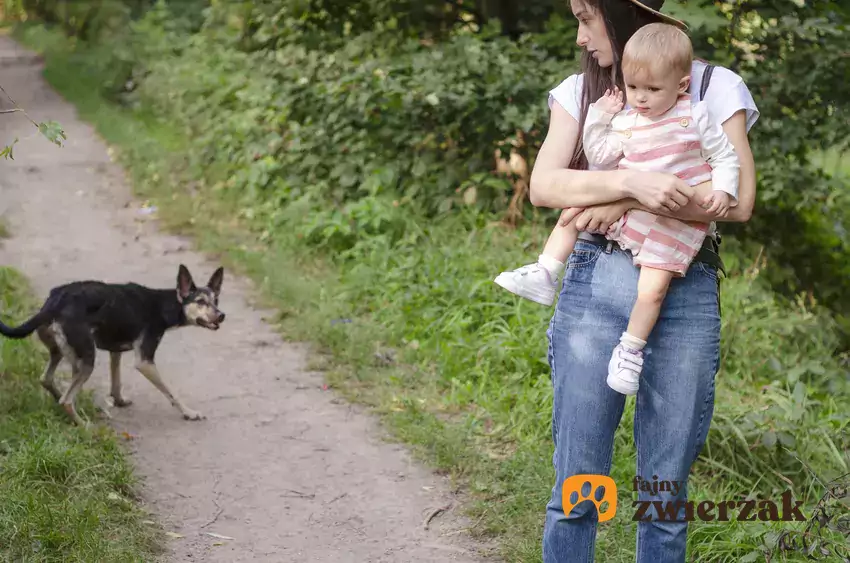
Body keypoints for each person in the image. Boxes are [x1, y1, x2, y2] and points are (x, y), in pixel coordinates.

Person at [522, 1, 759, 562]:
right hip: (593, 279)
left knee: (664, 490)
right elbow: (543, 186)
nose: (580, 36)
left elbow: (741, 202)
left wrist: (621, 195)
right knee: (578, 481)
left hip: (683, 287)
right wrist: (633, 186)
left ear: (623, 11)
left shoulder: (713, 86)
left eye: (586, 17)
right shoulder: (577, 93)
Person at [495, 22, 741, 397]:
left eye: (651, 89)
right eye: (633, 87)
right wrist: (599, 119)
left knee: (652, 289)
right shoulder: (627, 118)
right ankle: (545, 270)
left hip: (671, 225)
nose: (640, 98)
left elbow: (725, 158)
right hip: (626, 218)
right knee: (574, 210)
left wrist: (723, 187)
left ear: (681, 85)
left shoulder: (696, 115)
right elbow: (600, 156)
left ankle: (629, 350)